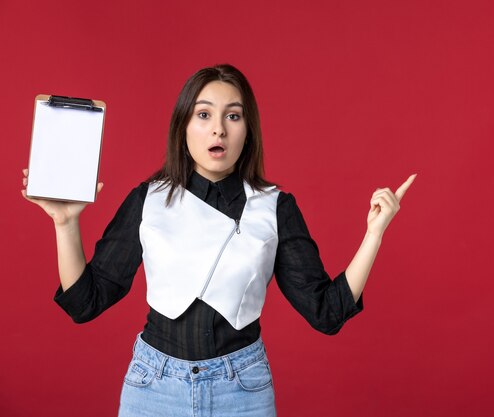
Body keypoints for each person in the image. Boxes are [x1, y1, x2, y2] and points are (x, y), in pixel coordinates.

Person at [21, 64, 416, 417]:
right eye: (204, 114)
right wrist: (65, 223)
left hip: (242, 390)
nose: (219, 129)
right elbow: (85, 303)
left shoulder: (275, 207)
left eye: (233, 116)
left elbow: (326, 312)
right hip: (153, 389)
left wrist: (373, 235)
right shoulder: (148, 200)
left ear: (248, 129)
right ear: (183, 126)